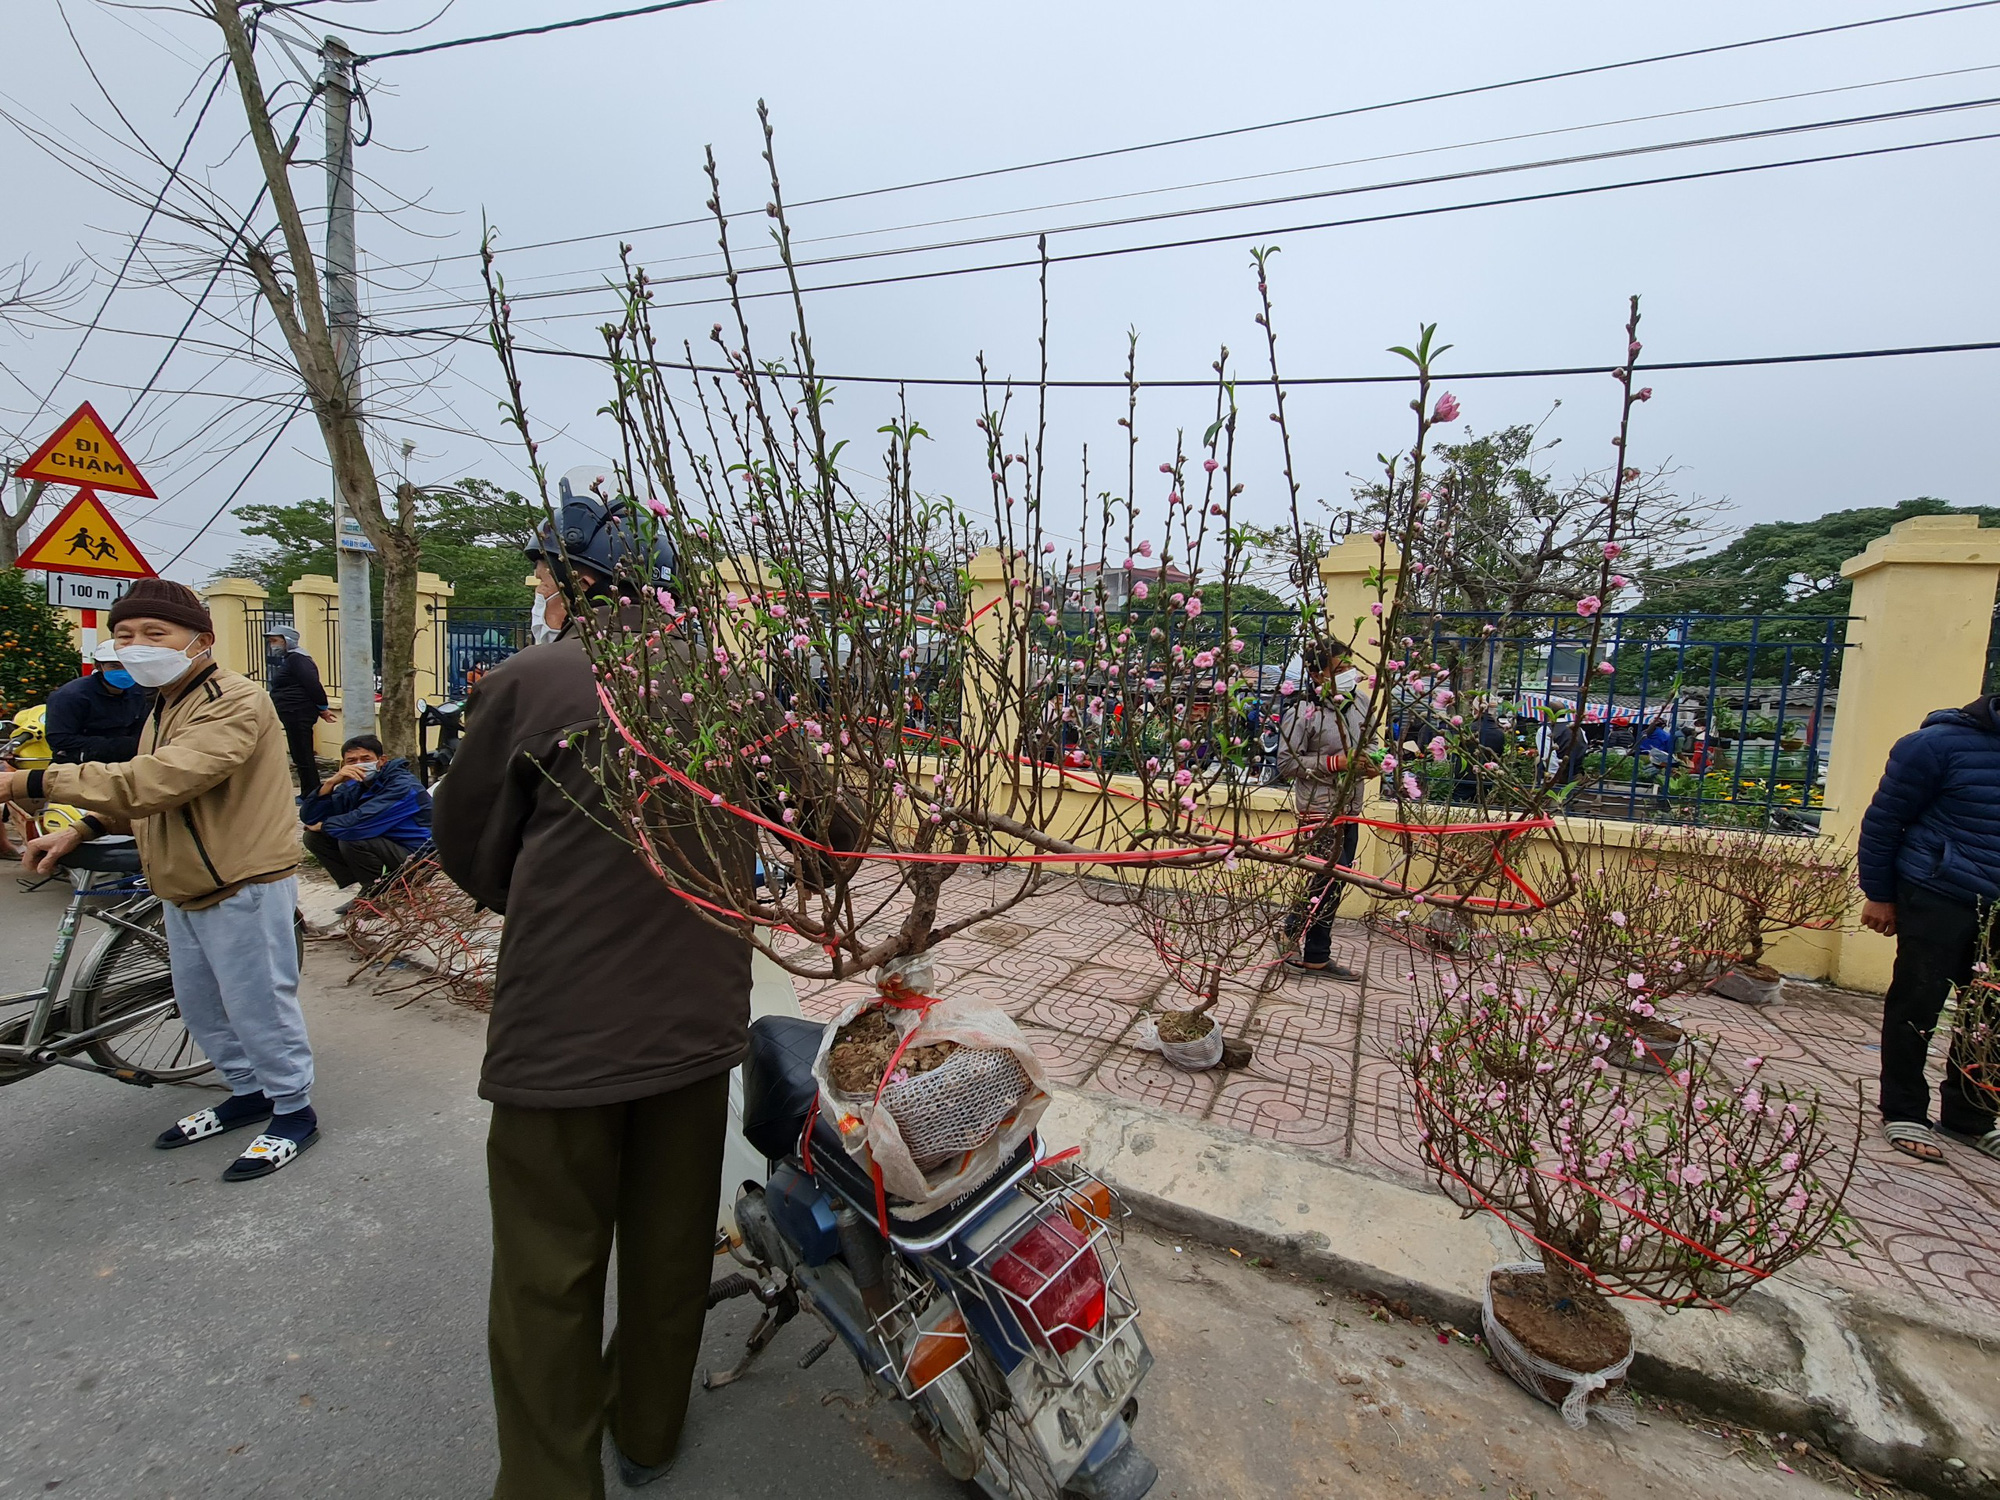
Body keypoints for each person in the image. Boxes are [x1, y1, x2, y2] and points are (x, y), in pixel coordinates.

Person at [434, 482, 853, 1498]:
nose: (535, 589)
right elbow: (832, 837)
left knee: (547, 1275)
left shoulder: (532, 683)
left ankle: (549, 1483)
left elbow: (466, 844)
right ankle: (649, 1436)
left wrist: (550, 904)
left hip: (559, 1036)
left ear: (577, 578)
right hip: (694, 1027)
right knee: (667, 1250)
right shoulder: (729, 693)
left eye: (542, 572)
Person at [12, 579, 316, 1181]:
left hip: (241, 880)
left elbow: (165, 779)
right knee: (203, 1008)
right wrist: (85, 827)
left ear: (200, 640)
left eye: (156, 634)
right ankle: (247, 1092)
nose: (137, 646)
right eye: (124, 635)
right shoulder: (167, 702)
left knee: (259, 1008)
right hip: (182, 880)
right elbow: (146, 789)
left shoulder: (235, 699)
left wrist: (34, 783)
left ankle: (293, 1111)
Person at [1858, 694, 2000, 1165]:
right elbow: (1883, 822)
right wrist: (1879, 894)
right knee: (1918, 1004)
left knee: (1989, 1019)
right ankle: (1905, 1111)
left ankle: (1971, 1117)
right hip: (1939, 895)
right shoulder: (1935, 746)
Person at [1277, 639, 1369, 978]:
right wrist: (1335, 762)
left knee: (1332, 882)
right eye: (1340, 670)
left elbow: (1371, 742)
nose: (1349, 675)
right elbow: (1286, 763)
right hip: (1318, 808)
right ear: (1317, 675)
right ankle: (1289, 930)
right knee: (1329, 878)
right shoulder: (1303, 712)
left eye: (1349, 666)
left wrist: (1371, 762)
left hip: (1350, 806)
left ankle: (1316, 954)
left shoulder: (1361, 703)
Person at [299, 733, 431, 895]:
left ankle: (378, 892)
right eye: (352, 761)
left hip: (419, 854)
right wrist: (330, 783)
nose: (359, 765)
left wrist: (324, 826)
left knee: (352, 838)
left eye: (366, 759)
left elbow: (360, 823)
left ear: (381, 761)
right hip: (388, 845)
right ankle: (370, 885)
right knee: (314, 838)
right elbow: (310, 817)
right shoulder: (355, 785)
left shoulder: (403, 785)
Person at [44, 640, 152, 763]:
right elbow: (59, 738)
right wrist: (117, 746)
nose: (124, 672)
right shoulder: (70, 696)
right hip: (78, 764)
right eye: (115, 666)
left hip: (125, 763)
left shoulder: (137, 691)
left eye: (129, 665)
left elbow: (142, 729)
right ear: (99, 666)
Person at [265, 624, 336, 795]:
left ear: (287, 641)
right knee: (299, 754)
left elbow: (312, 684)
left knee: (302, 754)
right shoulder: (291, 659)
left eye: (275, 641)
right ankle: (309, 791)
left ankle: (311, 793)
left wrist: (323, 708)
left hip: (298, 712)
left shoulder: (298, 659)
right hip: (292, 713)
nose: (272, 645)